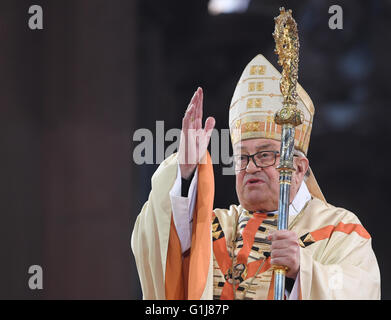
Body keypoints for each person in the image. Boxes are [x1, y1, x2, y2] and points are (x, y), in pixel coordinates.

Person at [131, 54, 381, 300]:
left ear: (299, 168)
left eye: (264, 156)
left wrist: (302, 271)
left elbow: (359, 289)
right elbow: (156, 239)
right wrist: (184, 170)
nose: (250, 167)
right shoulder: (212, 228)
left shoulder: (339, 231)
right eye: (242, 158)